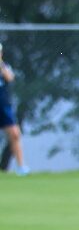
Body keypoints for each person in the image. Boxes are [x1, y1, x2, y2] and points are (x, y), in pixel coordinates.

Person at [0, 43, 30, 176]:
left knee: (14, 134)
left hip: (4, 107)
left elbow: (10, 77)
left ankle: (21, 167)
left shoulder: (4, 67)